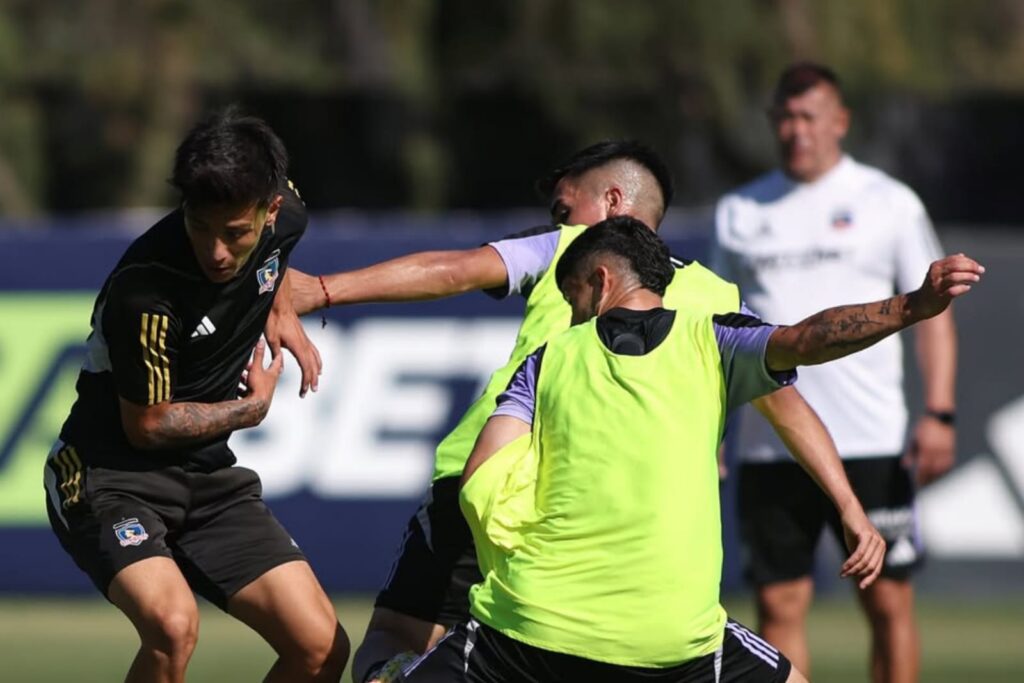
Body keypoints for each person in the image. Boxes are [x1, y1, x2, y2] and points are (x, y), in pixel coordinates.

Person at [287, 141, 881, 683]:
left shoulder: (567, 250)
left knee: (398, 639)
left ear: (613, 204)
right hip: (615, 523)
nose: (558, 222)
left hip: (494, 487)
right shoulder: (720, 305)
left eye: (564, 209)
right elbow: (789, 408)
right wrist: (849, 504)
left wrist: (321, 288)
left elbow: (454, 270)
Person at [395, 218, 981, 683]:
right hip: (674, 643)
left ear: (599, 281)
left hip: (529, 628)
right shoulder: (716, 338)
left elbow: (480, 480)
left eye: (572, 298)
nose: (572, 316)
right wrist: (910, 306)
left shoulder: (546, 361)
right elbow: (807, 338)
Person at [43, 109, 347, 683]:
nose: (216, 252)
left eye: (234, 233)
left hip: (208, 481)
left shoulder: (289, 218)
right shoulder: (147, 290)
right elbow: (148, 426)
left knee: (319, 648)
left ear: (271, 208)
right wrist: (251, 409)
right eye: (199, 226)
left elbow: (272, 259)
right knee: (173, 626)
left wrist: (278, 306)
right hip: (109, 477)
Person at [710, 62, 958, 682]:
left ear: (839, 122)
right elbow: (714, 327)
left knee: (887, 599)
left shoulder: (888, 202)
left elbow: (932, 314)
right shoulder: (739, 210)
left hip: (869, 437)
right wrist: (714, 431)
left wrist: (940, 413)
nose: (796, 130)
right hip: (773, 443)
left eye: (809, 117)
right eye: (785, 118)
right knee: (778, 603)